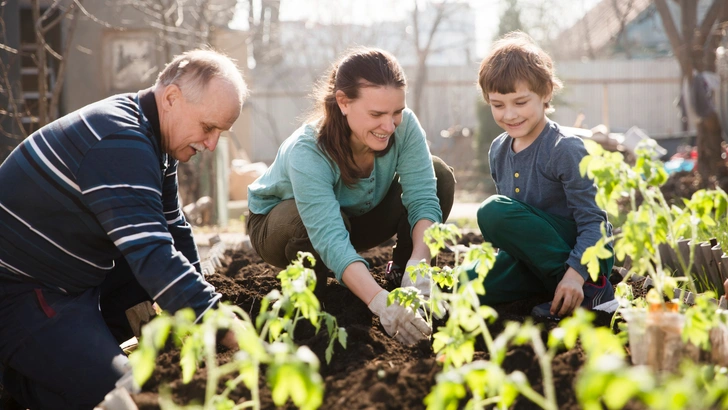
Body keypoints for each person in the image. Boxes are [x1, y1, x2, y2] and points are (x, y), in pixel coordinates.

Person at [0, 49, 248, 409]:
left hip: (74, 278)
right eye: (208, 127)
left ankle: (65, 357)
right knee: (125, 395)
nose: (211, 144)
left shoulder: (150, 137)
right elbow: (152, 253)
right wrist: (224, 327)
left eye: (219, 133)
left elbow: (172, 226)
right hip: (23, 289)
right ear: (172, 98)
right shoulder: (120, 140)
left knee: (158, 274)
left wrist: (206, 300)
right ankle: (27, 376)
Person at [246, 47, 455, 345]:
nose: (389, 125)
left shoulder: (404, 126)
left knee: (440, 177)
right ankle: (311, 306)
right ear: (343, 102)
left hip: (352, 217)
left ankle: (400, 276)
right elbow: (329, 236)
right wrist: (379, 303)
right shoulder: (309, 150)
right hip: (280, 227)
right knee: (308, 225)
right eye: (376, 114)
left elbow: (423, 197)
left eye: (396, 112)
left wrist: (419, 264)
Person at [467, 31, 617, 319]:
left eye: (520, 102)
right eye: (498, 105)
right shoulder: (498, 150)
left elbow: (595, 225)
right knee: (466, 284)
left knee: (492, 211)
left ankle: (592, 291)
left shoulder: (564, 149)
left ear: (546, 92)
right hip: (531, 260)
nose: (509, 114)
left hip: (583, 255)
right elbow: (515, 231)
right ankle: (553, 290)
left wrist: (575, 274)